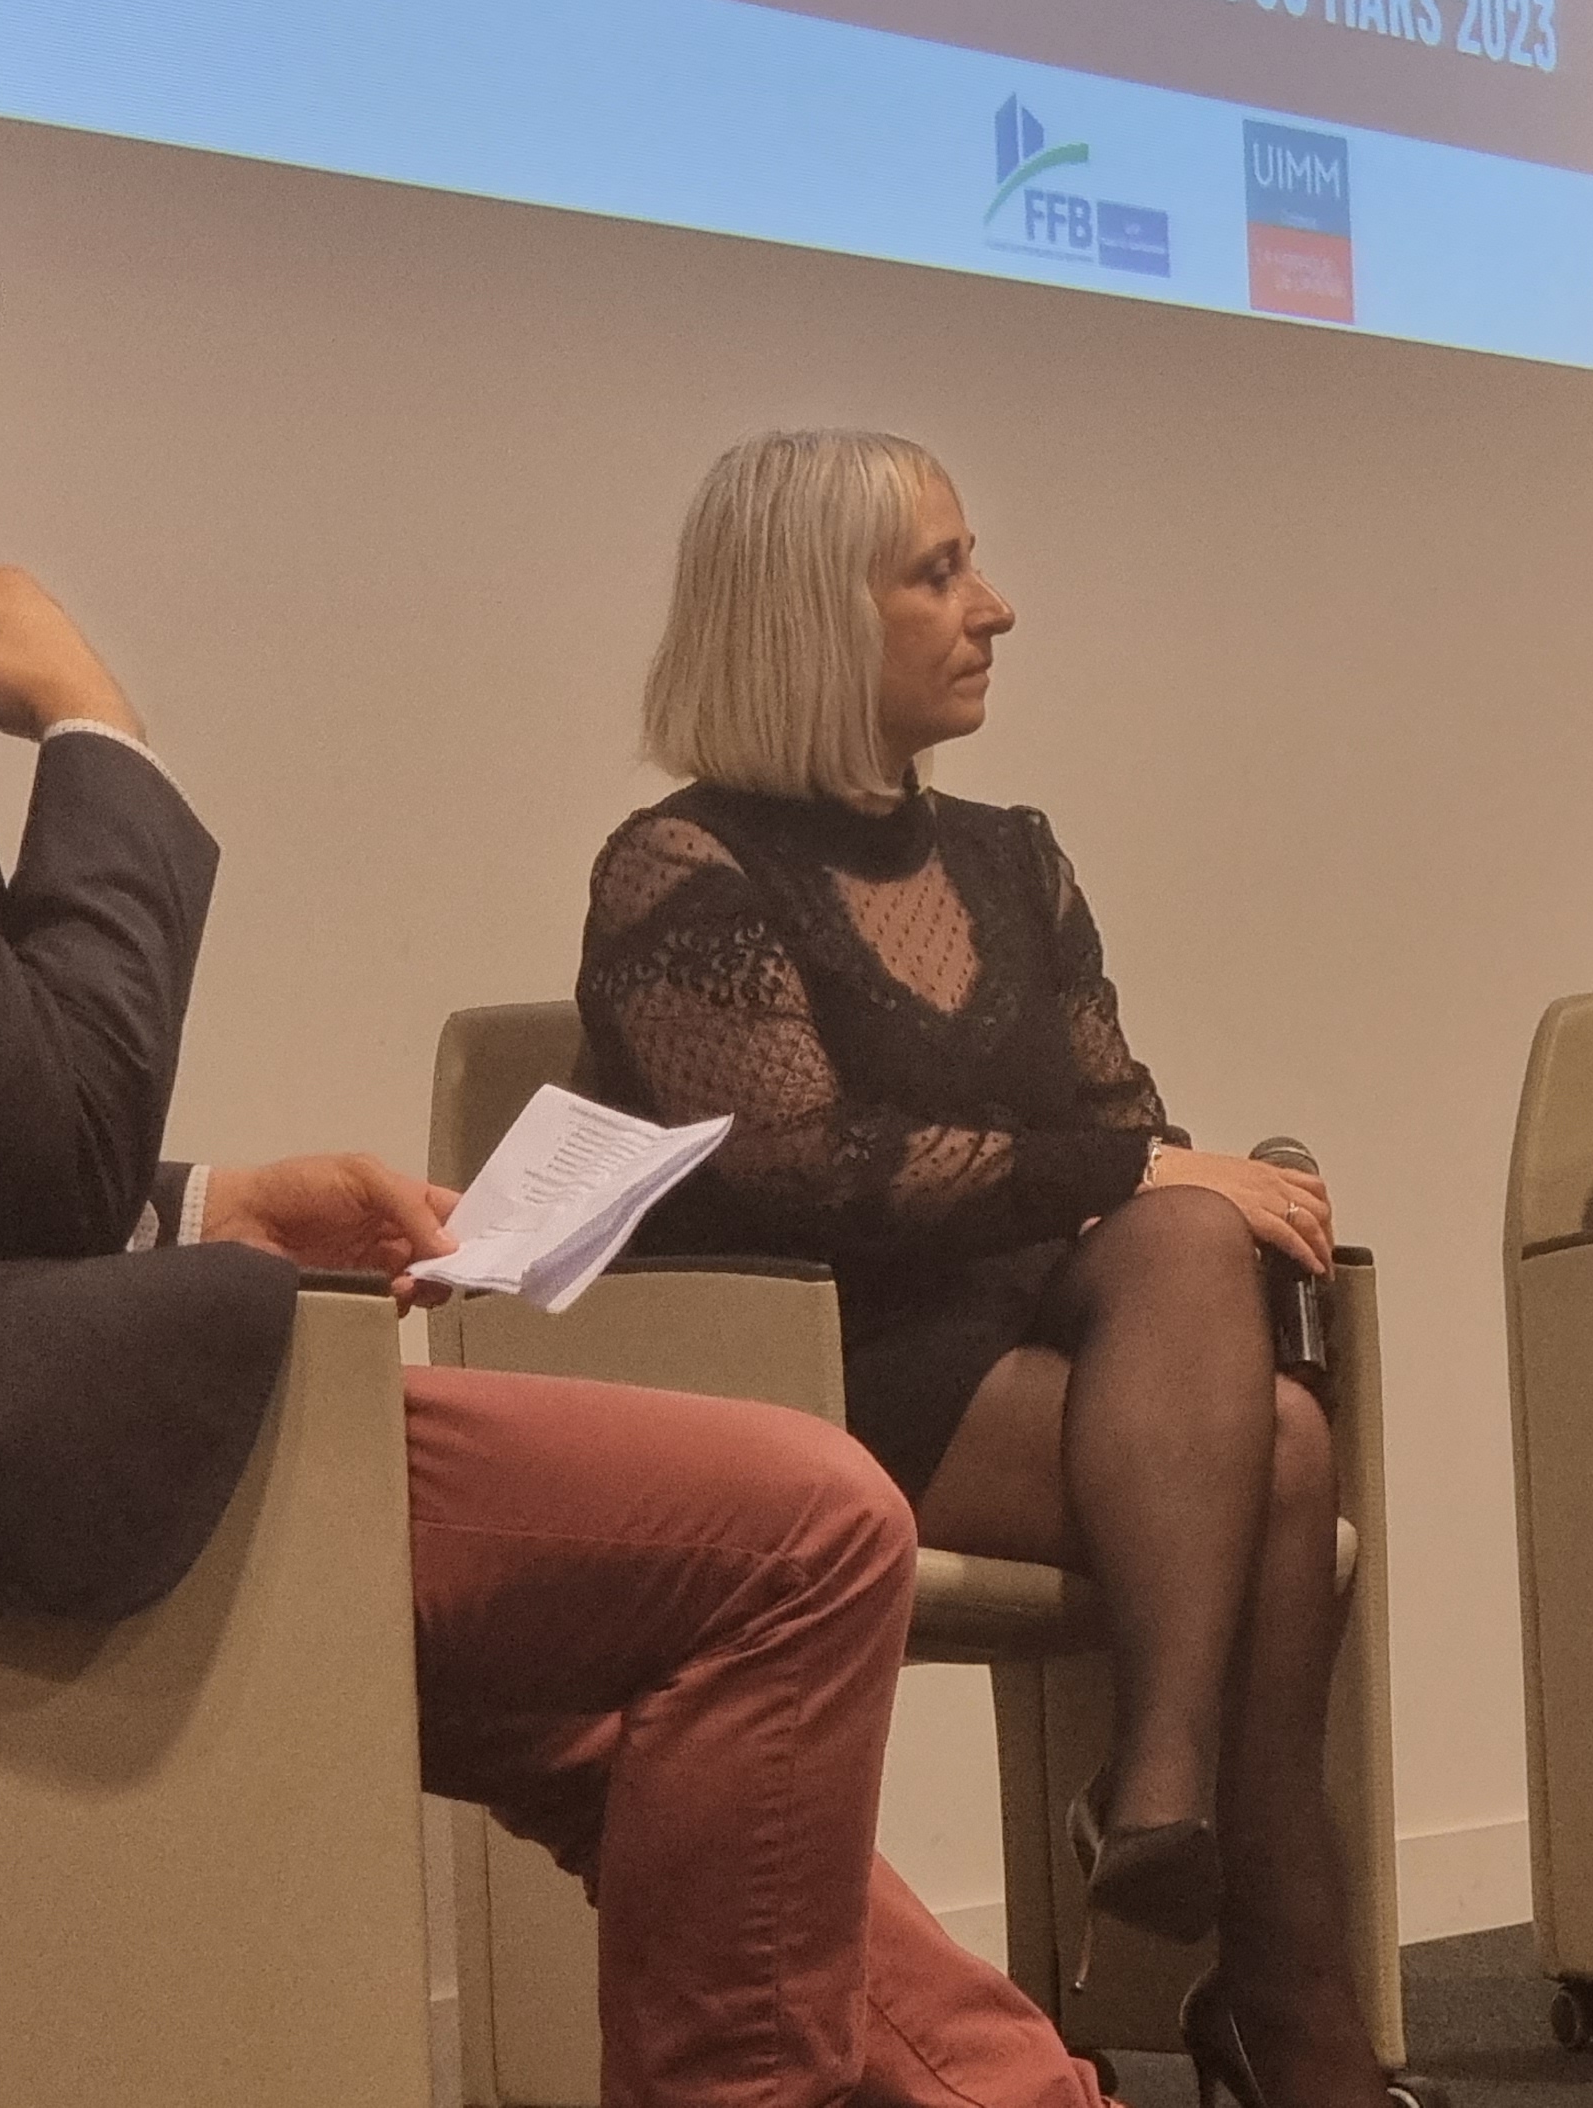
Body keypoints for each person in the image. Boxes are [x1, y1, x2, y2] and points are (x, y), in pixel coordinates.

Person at [0, 136, 1092, 2108]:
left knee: (608, 1711)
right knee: (804, 1524)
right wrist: (95, 735)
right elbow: (23, 1139)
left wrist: (205, 1201)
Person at [578, 429, 1384, 2108]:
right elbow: (799, 1165)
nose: (992, 607)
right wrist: (1130, 1173)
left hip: (1055, 1353)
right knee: (1283, 1448)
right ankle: (1276, 1997)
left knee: (1182, 1227)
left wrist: (1164, 1180)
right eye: (938, 573)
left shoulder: (1014, 855)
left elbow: (1120, 1123)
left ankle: (1165, 1811)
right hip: (816, 1376)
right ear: (811, 614)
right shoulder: (682, 868)